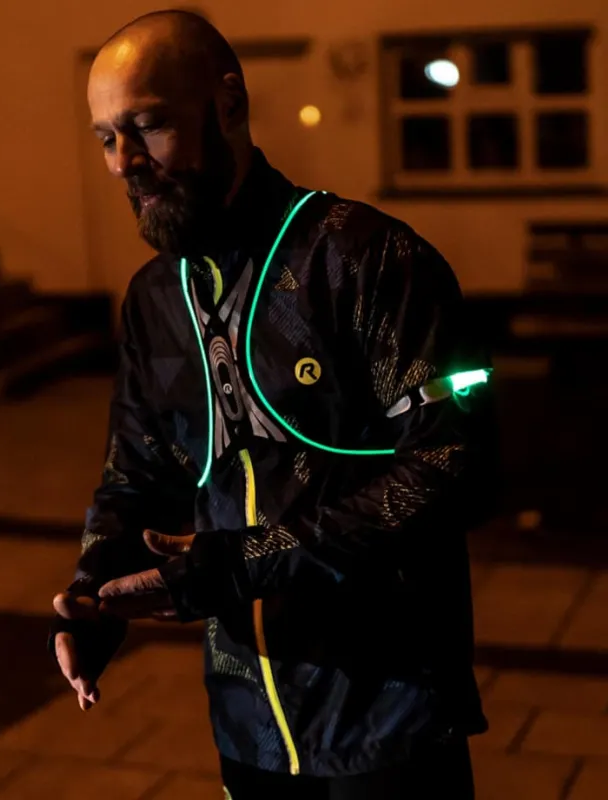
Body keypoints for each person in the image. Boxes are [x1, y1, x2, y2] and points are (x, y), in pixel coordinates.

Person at [49, 10, 496, 799]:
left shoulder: (367, 259)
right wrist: (96, 591)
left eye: (147, 126)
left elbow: (453, 465)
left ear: (228, 104)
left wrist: (238, 564)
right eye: (106, 138)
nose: (124, 162)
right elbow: (138, 473)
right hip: (248, 725)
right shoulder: (153, 300)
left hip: (388, 717)